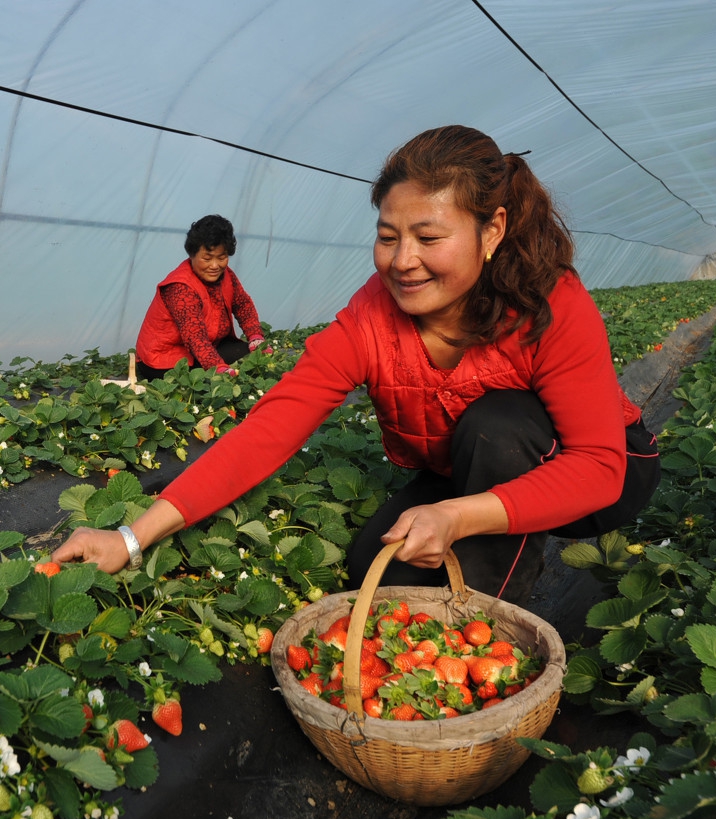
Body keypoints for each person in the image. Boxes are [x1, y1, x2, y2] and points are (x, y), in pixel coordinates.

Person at [54, 125, 661, 605]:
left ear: (492, 229)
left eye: (428, 237)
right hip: (465, 469)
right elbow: (270, 430)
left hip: (601, 480)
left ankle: (480, 633)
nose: (403, 261)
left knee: (498, 427)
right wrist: (131, 537)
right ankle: (460, 557)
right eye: (388, 235)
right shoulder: (370, 320)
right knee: (370, 559)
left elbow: (598, 467)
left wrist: (455, 516)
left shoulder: (549, 301)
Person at [134, 214, 270, 379]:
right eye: (207, 258)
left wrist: (256, 336)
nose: (215, 265)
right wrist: (218, 367)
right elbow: (195, 337)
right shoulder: (180, 287)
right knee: (215, 377)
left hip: (207, 346)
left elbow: (243, 305)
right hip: (163, 359)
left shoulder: (227, 275)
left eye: (222, 258)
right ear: (192, 255)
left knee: (252, 353)